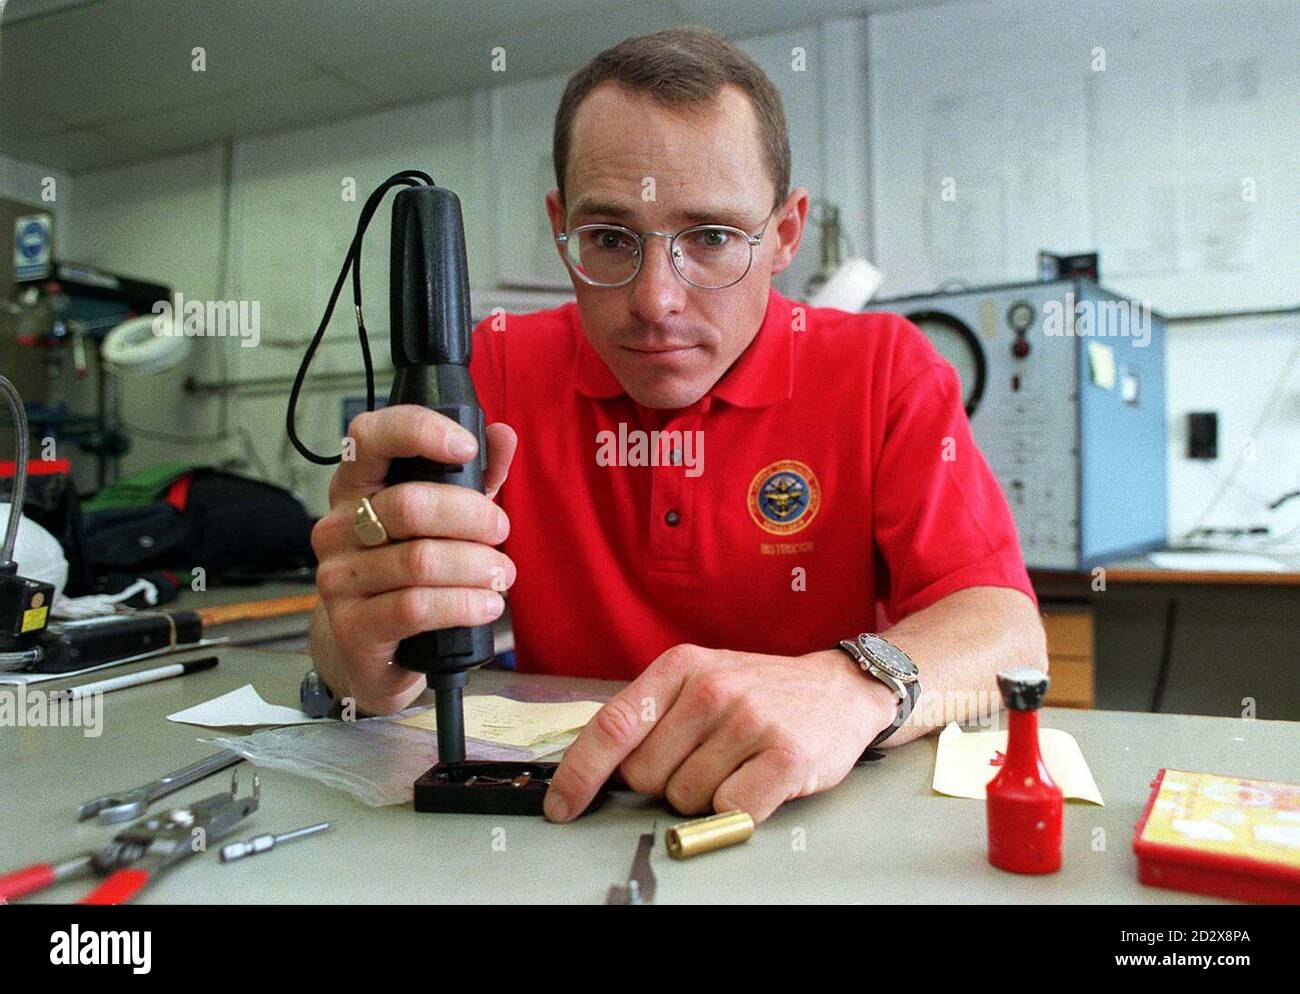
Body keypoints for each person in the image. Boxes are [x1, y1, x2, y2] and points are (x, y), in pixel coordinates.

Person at [307, 26, 1046, 824]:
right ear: (563, 228)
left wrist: (847, 686)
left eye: (714, 237)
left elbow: (1008, 634)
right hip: (554, 829)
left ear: (784, 235)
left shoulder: (884, 369)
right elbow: (354, 660)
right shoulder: (494, 367)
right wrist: (362, 650)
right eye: (611, 239)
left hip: (803, 826)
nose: (656, 300)